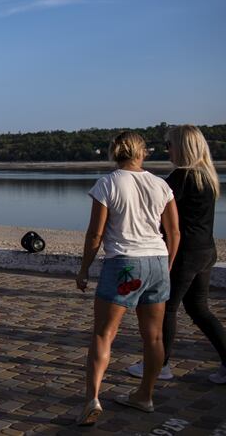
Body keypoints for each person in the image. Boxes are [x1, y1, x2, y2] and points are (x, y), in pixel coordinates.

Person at [74, 131, 179, 426]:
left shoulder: (108, 183)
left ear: (115, 152)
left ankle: (92, 398)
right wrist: (167, 265)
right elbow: (174, 232)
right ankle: (145, 395)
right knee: (154, 336)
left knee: (103, 334)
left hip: (124, 263)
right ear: (141, 152)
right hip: (157, 261)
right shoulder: (161, 185)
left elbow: (95, 234)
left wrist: (84, 269)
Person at [127, 125, 226, 384]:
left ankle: (160, 365)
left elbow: (153, 209)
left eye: (169, 145)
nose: (167, 150)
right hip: (205, 250)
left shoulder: (181, 177)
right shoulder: (207, 176)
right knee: (199, 309)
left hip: (185, 253)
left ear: (182, 147)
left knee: (167, 308)